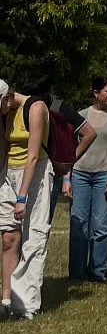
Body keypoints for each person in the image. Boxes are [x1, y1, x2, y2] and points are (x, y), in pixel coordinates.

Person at [66, 75, 107, 282]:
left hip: (106, 173)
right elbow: (70, 149)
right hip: (81, 174)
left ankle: (98, 272)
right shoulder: (82, 115)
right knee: (79, 224)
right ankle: (76, 273)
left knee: (102, 225)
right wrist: (67, 177)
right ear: (95, 93)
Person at [0, 80, 53, 319]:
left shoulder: (35, 107)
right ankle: (7, 298)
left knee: (33, 237)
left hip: (35, 174)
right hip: (9, 172)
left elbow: (32, 156)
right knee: (9, 236)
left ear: (7, 96)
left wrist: (22, 196)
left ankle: (28, 305)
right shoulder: (6, 113)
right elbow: (5, 148)